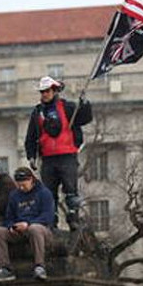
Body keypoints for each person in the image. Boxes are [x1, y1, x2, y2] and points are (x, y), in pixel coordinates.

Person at [24, 76, 93, 230]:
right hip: (48, 158)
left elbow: (85, 118)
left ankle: (73, 219)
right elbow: (31, 136)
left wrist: (85, 104)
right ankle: (51, 221)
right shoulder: (37, 112)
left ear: (54, 91)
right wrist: (31, 156)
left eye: (47, 91)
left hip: (67, 155)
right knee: (48, 193)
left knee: (71, 190)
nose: (44, 94)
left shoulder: (68, 107)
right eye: (42, 92)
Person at [0, 167, 54, 282]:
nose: (21, 188)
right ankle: (5, 268)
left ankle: (40, 266)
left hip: (40, 228)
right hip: (19, 230)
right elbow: (8, 217)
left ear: (31, 180)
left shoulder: (44, 193)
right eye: (19, 185)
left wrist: (28, 224)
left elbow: (48, 216)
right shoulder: (14, 195)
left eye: (24, 185)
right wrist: (11, 226)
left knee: (35, 229)